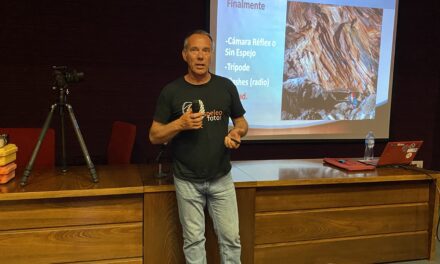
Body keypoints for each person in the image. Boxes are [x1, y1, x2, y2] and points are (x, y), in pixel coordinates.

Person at [149, 30, 248, 264]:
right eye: (194, 50)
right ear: (185, 55)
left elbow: (242, 122)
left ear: (211, 55)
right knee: (193, 242)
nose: (200, 56)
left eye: (205, 50)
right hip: (187, 181)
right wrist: (179, 124)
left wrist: (236, 132)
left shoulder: (226, 86)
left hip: (221, 178)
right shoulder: (171, 91)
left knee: (231, 240)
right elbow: (154, 135)